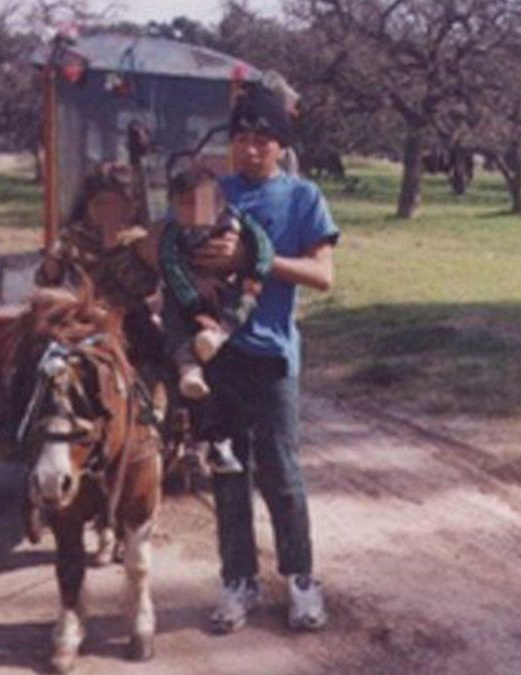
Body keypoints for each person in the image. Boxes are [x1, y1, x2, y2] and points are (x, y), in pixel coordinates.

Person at [193, 85, 338, 634]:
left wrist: (259, 256)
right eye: (241, 139)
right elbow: (185, 257)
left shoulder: (303, 199)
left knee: (281, 475)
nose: (250, 150)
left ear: (280, 146)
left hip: (273, 358)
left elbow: (323, 276)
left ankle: (301, 580)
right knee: (228, 470)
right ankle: (237, 582)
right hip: (218, 358)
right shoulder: (211, 193)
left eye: (263, 140)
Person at [158, 166, 274, 474]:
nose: (195, 212)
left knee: (229, 357)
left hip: (228, 298)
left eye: (203, 203)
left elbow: (262, 246)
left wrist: (255, 273)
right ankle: (189, 370)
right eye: (185, 204)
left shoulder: (235, 222)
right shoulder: (173, 235)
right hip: (186, 301)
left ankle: (220, 442)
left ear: (219, 203)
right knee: (175, 327)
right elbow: (170, 267)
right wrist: (194, 298)